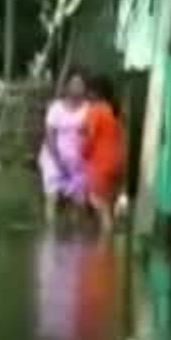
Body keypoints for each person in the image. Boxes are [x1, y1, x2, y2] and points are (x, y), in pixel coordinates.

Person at [37, 69, 91, 223]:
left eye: (80, 84)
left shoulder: (88, 109)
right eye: (73, 83)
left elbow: (91, 135)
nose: (77, 87)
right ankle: (51, 232)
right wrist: (58, 161)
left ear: (85, 88)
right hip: (53, 158)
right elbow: (49, 136)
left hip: (78, 161)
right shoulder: (56, 108)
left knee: (78, 202)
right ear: (67, 86)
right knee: (52, 197)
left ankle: (73, 236)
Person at [83, 74, 127, 235]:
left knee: (100, 205)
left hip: (101, 163)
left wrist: (83, 153)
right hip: (118, 163)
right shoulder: (114, 110)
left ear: (94, 93)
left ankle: (106, 247)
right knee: (108, 205)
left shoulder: (95, 110)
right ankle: (110, 245)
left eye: (88, 91)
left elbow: (90, 136)